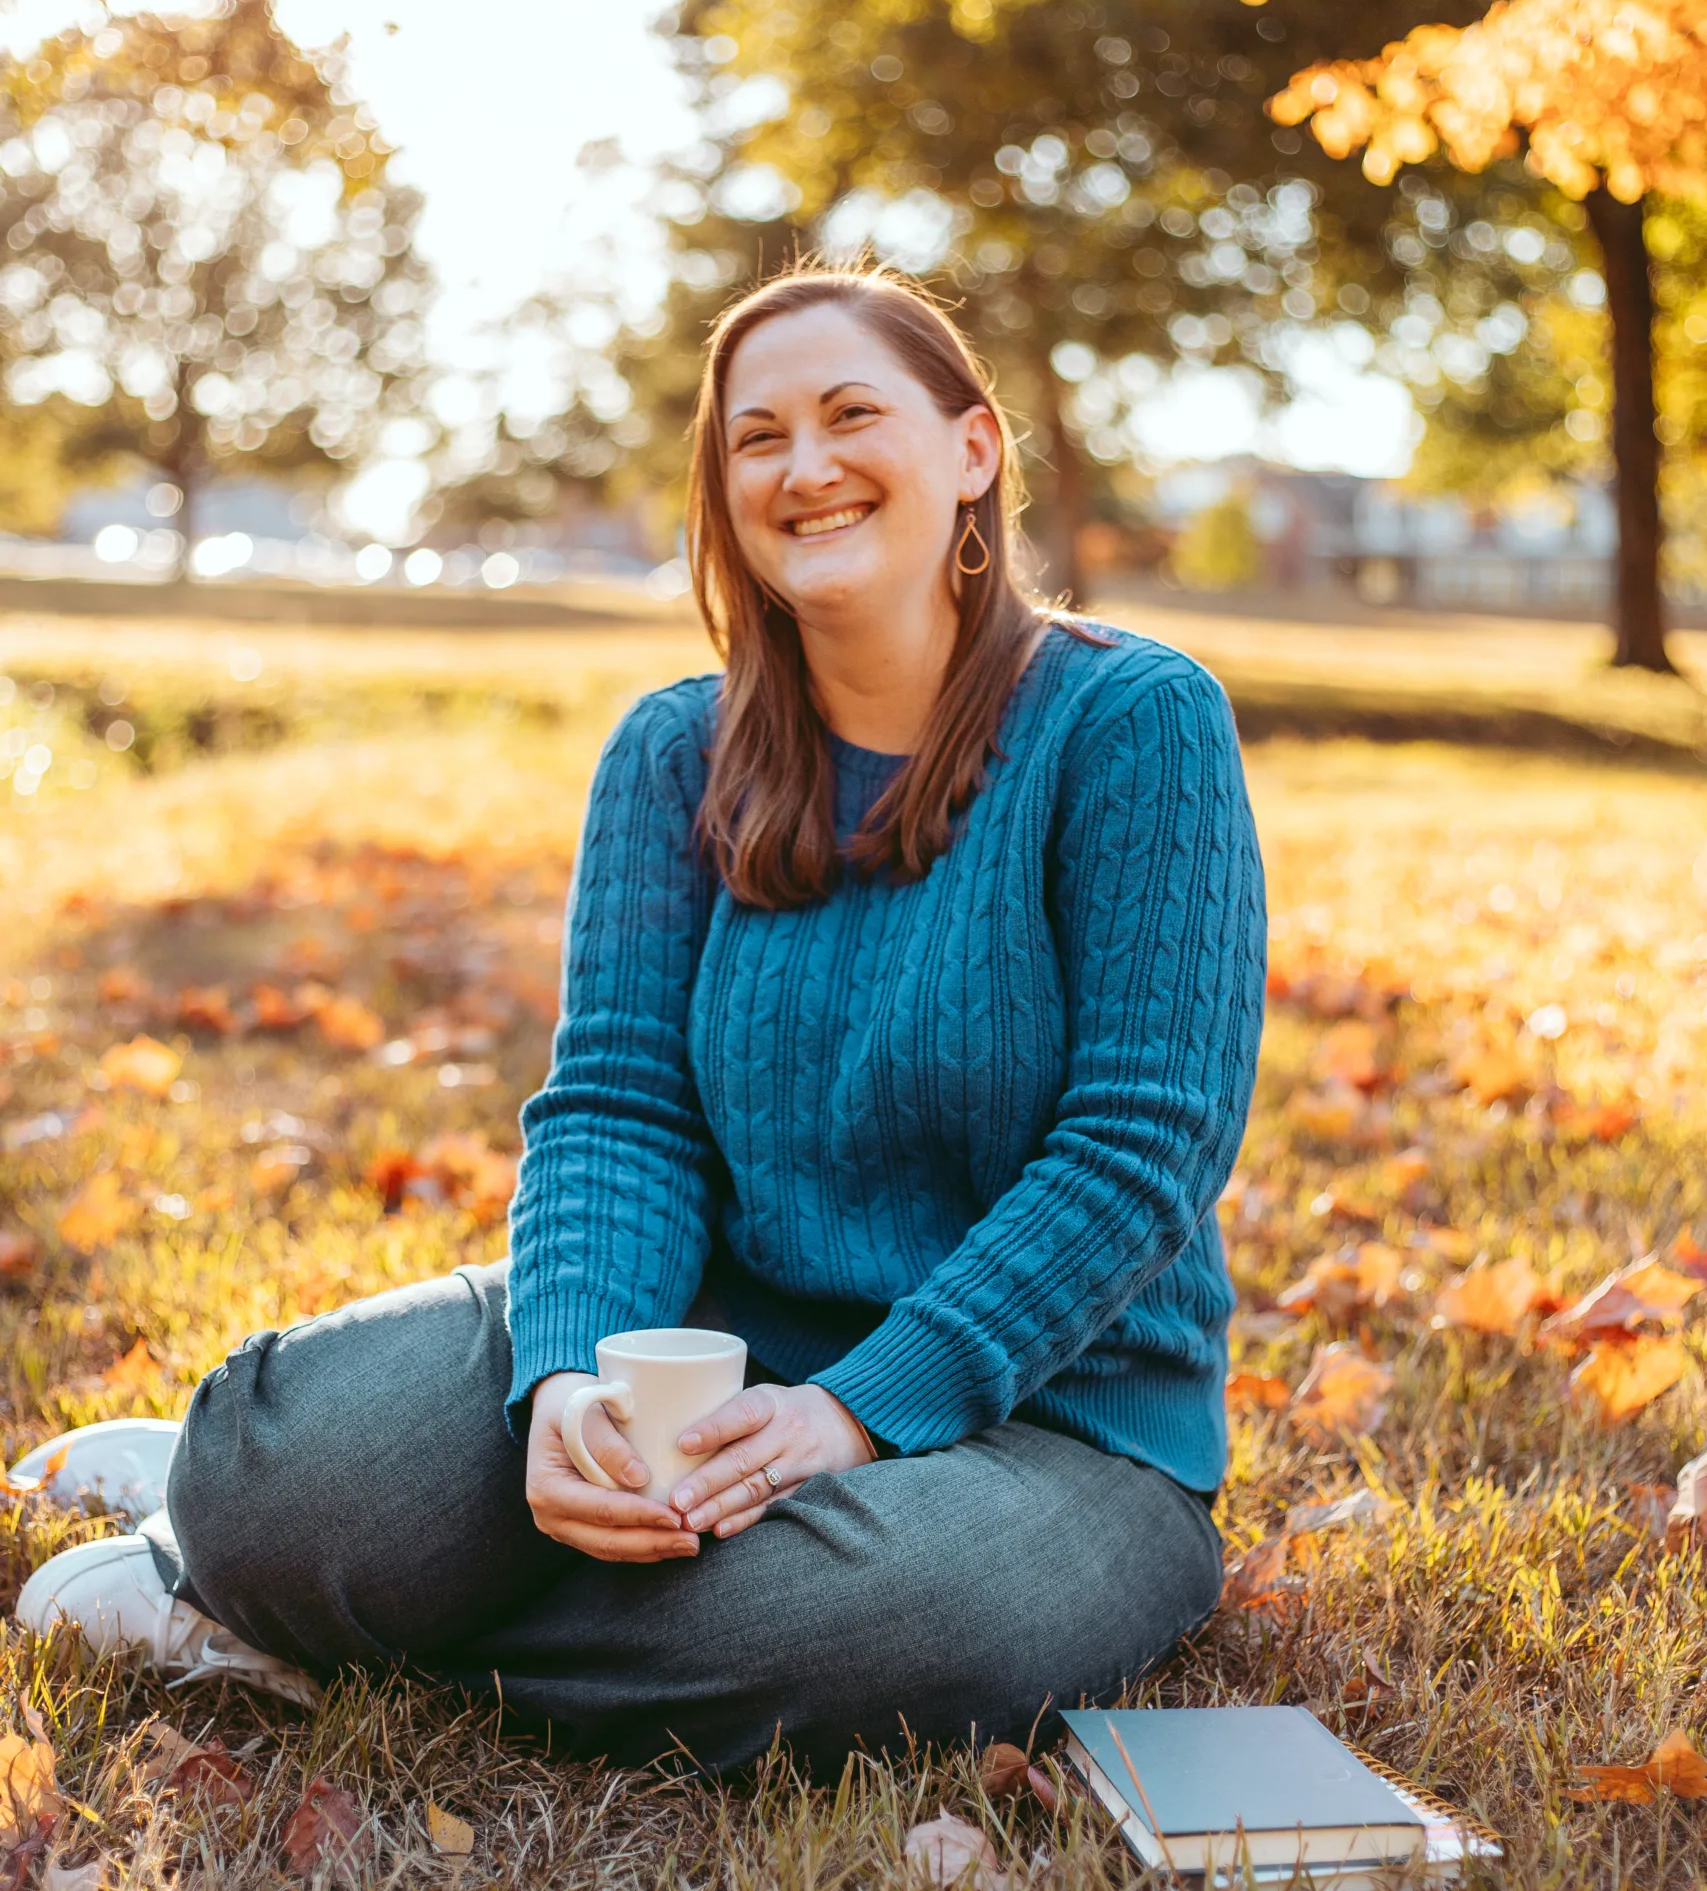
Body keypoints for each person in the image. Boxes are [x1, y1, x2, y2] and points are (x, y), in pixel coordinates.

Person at [16, 267, 1267, 1775]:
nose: (804, 469)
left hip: (1058, 1428)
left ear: (974, 452)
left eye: (851, 415)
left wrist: (862, 1411)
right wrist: (568, 1381)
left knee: (854, 1630)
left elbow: (1143, 1144)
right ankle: (270, 1532)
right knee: (284, 1463)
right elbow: (617, 1108)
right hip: (705, 1349)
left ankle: (303, 1599)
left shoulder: (1131, 721)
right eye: (757, 439)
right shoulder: (677, 748)